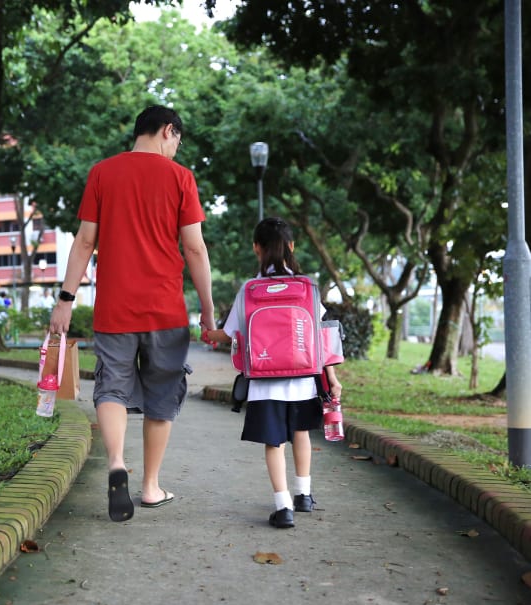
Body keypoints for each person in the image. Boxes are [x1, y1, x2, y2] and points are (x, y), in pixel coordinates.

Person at [49, 105, 215, 522]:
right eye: (178, 138)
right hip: (165, 310)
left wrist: (65, 300)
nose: (177, 147)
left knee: (112, 388)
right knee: (161, 395)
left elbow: (85, 242)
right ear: (167, 130)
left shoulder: (102, 173)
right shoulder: (181, 179)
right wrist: (209, 311)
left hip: (114, 308)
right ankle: (151, 487)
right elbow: (194, 248)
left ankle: (117, 464)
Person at [202, 217, 342, 529]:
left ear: (256, 249)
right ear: (292, 246)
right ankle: (303, 495)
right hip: (304, 379)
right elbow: (321, 335)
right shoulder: (307, 287)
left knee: (274, 442)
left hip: (265, 383)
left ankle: (283, 508)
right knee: (300, 433)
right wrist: (331, 377)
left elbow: (229, 334)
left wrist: (209, 335)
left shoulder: (251, 289)